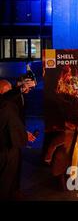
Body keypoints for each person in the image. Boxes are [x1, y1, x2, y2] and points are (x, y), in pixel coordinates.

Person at [0, 71, 37, 200]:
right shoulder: (4, 103)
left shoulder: (9, 103)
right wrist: (20, 87)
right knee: (5, 177)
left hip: (14, 142)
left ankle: (14, 192)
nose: (12, 92)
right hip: (5, 146)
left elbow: (14, 121)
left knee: (13, 172)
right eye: (8, 90)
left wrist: (24, 132)